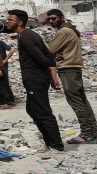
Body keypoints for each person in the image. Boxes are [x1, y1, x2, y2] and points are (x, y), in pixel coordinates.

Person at [6, 10, 64, 155]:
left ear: (20, 22)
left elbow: (44, 59)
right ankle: (49, 142)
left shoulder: (25, 37)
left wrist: (51, 77)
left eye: (10, 20)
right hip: (36, 78)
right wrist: (52, 78)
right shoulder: (30, 35)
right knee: (32, 110)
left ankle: (57, 146)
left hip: (35, 78)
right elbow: (49, 55)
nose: (7, 22)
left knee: (43, 112)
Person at [46, 9, 97, 143]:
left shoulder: (63, 31)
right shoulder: (71, 30)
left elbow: (48, 51)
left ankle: (86, 133)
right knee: (82, 100)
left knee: (75, 100)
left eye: (54, 18)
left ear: (62, 18)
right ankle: (95, 132)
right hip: (74, 68)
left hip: (67, 68)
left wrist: (53, 53)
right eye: (49, 19)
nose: (51, 21)